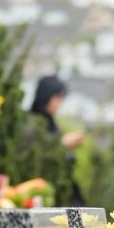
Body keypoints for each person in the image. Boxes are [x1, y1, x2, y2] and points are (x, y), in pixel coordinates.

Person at [28, 75, 86, 206]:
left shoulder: (51, 124)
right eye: (58, 97)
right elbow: (37, 153)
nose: (60, 103)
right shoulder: (33, 124)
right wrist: (62, 143)